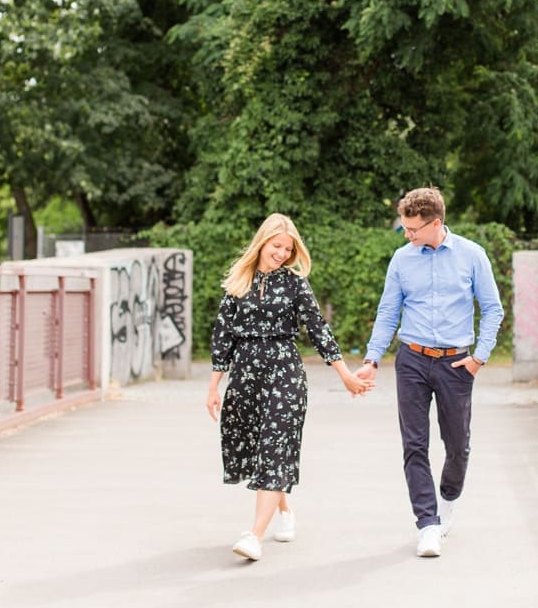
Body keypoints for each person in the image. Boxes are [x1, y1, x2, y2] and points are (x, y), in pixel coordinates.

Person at [206, 212, 372, 562]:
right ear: (262, 242)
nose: (282, 253)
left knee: (276, 445)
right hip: (246, 375)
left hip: (285, 371)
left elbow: (318, 330)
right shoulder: (238, 282)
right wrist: (213, 386)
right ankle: (285, 511)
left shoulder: (295, 284)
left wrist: (345, 375)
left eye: (288, 248)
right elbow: (223, 335)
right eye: (277, 246)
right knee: (258, 448)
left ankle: (254, 535)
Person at [356, 186, 504, 558]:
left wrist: (478, 359)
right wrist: (373, 359)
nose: (408, 236)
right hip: (412, 360)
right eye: (405, 229)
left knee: (457, 445)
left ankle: (448, 499)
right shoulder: (402, 260)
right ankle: (427, 523)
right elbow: (388, 312)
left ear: (435, 223)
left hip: (457, 364)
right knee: (414, 445)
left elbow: (492, 309)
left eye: (413, 230)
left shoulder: (472, 255)